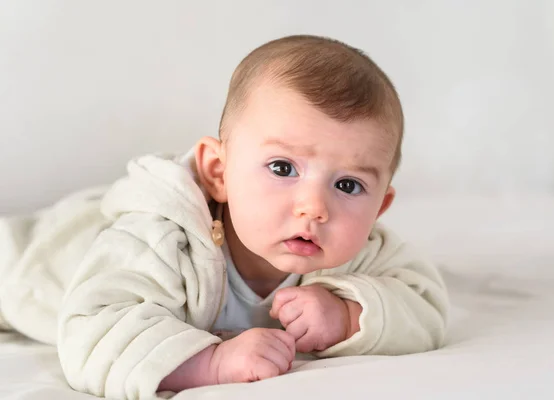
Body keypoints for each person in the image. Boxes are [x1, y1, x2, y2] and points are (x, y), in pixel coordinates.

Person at [0, 35, 449, 399]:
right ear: (219, 172)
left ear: (379, 209)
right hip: (34, 260)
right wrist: (209, 363)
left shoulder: (359, 251)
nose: (315, 207)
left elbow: (426, 309)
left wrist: (349, 315)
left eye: (348, 185)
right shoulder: (157, 239)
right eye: (282, 168)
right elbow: (91, 333)